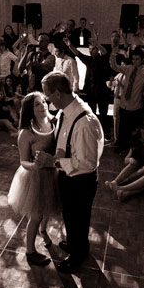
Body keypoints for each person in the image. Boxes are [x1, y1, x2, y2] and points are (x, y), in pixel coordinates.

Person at [37, 71, 104, 272]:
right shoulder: (66, 110)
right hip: (70, 177)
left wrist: (52, 161)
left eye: (47, 95)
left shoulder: (83, 122)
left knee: (79, 218)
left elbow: (85, 163)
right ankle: (76, 244)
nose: (47, 100)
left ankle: (79, 255)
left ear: (58, 93)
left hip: (81, 180)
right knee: (70, 215)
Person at [8, 92, 58, 266]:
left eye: (44, 102)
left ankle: (44, 231)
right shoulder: (26, 133)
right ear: (30, 109)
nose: (43, 105)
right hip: (36, 176)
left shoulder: (54, 122)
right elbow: (22, 161)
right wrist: (34, 166)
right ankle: (30, 251)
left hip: (53, 171)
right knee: (35, 214)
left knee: (49, 206)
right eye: (38, 104)